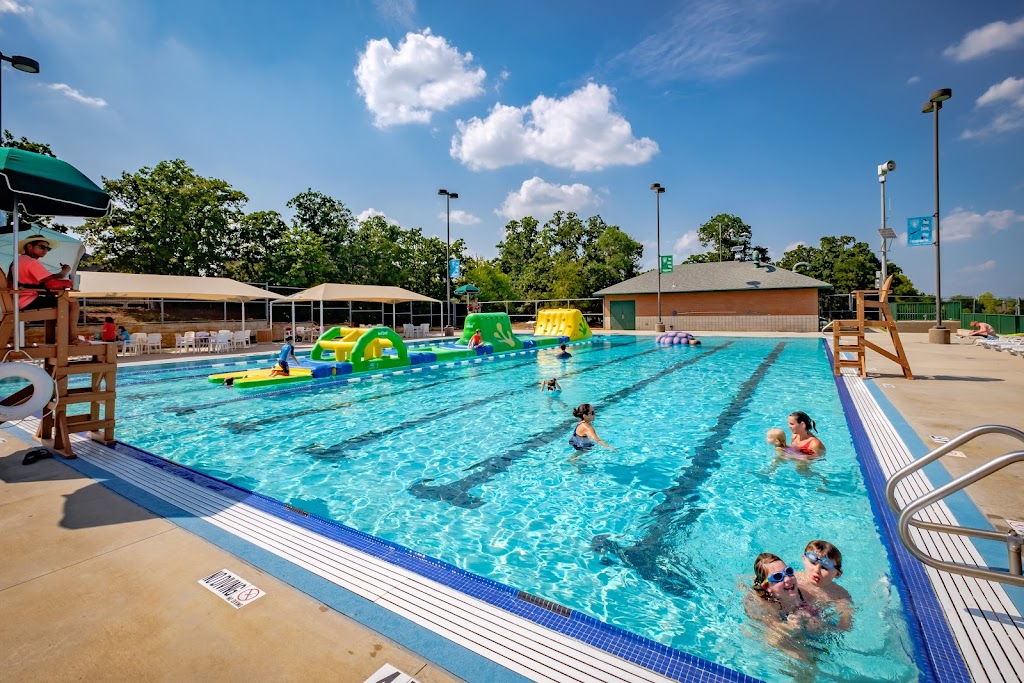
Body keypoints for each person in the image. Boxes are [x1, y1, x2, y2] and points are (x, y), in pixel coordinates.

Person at [10, 235, 90, 345]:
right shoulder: (31, 262)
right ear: (29, 246)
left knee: (57, 302)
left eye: (48, 249)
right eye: (42, 247)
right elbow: (51, 281)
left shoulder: (18, 260)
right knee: (73, 303)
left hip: (17, 300)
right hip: (26, 300)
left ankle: (53, 340)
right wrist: (66, 270)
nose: (45, 251)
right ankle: (71, 338)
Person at [745, 552, 821, 633]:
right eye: (778, 577)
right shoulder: (767, 606)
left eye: (788, 571)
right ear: (767, 586)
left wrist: (813, 617)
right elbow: (772, 635)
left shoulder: (804, 593)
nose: (788, 579)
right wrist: (788, 627)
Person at [794, 540, 854, 631]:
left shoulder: (840, 596)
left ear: (837, 574)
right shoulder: (793, 578)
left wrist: (822, 627)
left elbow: (845, 627)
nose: (817, 570)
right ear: (804, 559)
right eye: (813, 563)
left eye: (824, 567)